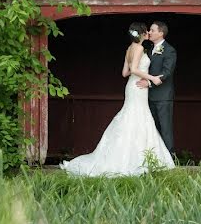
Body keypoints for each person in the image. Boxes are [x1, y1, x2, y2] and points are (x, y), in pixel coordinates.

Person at [59, 22, 174, 177]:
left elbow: (125, 73)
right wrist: (151, 77)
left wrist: (141, 76)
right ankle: (138, 159)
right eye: (147, 30)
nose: (148, 32)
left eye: (151, 30)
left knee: (133, 116)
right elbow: (133, 70)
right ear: (141, 34)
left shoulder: (129, 49)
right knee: (138, 117)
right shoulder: (140, 48)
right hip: (139, 88)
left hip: (132, 85)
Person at [135, 21, 177, 154]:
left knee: (165, 128)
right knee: (153, 129)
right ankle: (156, 158)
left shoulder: (170, 50)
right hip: (148, 96)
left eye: (152, 30)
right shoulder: (148, 49)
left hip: (163, 97)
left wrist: (149, 83)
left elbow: (167, 72)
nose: (149, 32)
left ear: (161, 33)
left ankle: (170, 159)